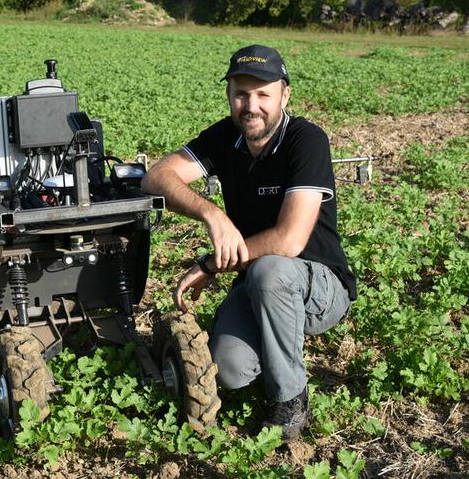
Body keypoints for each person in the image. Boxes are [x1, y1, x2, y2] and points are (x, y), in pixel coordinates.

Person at [141, 44, 357, 441]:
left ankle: (290, 401)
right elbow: (156, 177)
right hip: (258, 284)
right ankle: (275, 345)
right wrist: (213, 214)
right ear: (229, 95)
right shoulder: (225, 138)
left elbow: (289, 241)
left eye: (263, 94)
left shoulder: (306, 140)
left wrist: (210, 264)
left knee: (270, 269)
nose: (251, 105)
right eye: (241, 93)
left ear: (284, 95)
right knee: (229, 370)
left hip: (320, 286)